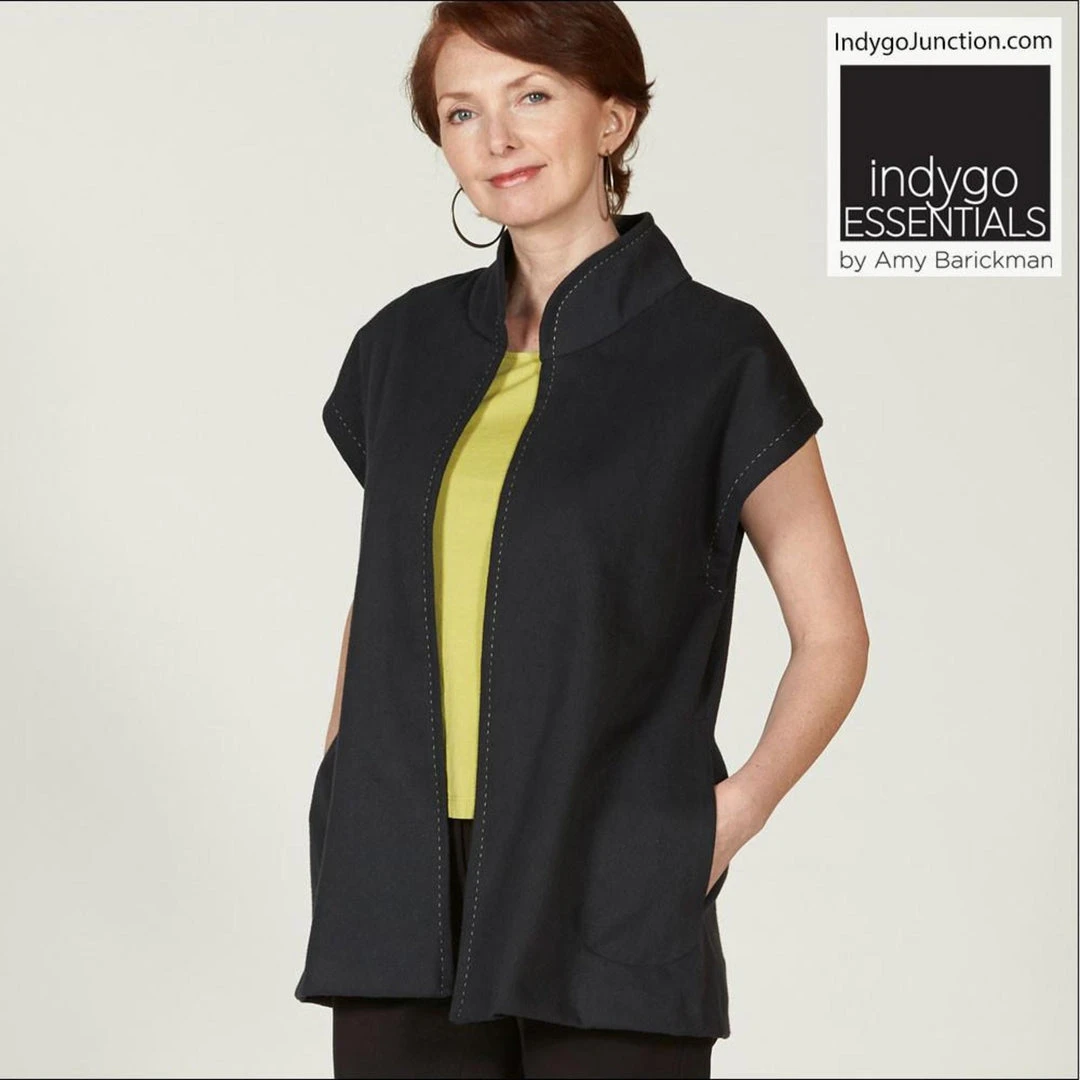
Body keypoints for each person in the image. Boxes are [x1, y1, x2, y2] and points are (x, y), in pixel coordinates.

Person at [296, 3, 870, 1078]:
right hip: (396, 881)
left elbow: (834, 637)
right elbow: (394, 592)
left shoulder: (716, 355)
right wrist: (340, 782)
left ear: (613, 118)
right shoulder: (403, 347)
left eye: (532, 96)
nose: (497, 138)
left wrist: (727, 817)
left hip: (608, 874)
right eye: (462, 112)